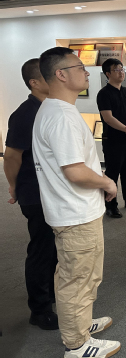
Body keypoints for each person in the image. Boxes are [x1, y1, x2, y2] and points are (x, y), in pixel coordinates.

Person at [33, 47, 120, 357]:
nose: (87, 72)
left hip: (78, 210)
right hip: (75, 212)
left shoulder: (59, 109)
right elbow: (75, 171)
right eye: (80, 67)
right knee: (76, 279)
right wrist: (107, 182)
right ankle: (77, 343)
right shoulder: (60, 116)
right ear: (60, 74)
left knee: (86, 275)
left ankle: (80, 323)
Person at [3, 59, 58, 330]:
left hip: (54, 191)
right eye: (49, 76)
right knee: (42, 250)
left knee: (55, 248)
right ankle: (39, 308)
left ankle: (52, 293)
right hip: (35, 193)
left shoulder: (52, 107)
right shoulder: (25, 114)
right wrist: (14, 186)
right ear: (34, 83)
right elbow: (12, 156)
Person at [96, 58, 126, 218]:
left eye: (122, 69)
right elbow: (108, 118)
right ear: (108, 74)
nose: (121, 72)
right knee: (112, 173)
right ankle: (111, 206)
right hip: (113, 140)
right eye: (117, 70)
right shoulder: (104, 94)